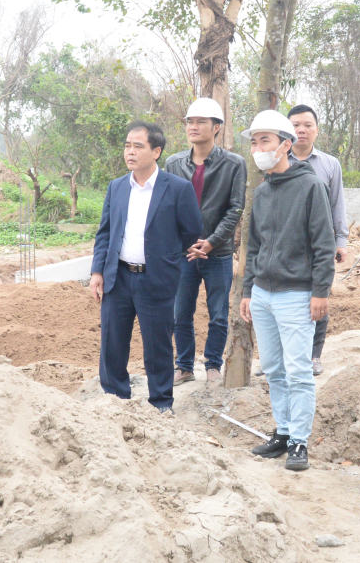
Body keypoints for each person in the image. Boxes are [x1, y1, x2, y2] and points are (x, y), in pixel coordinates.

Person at [238, 110, 336, 471]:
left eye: (265, 140)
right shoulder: (262, 192)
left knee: (297, 372)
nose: (258, 147)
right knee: (274, 370)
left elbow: (324, 245)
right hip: (263, 294)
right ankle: (282, 431)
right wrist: (248, 291)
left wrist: (320, 291)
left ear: (285, 144)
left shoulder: (311, 186)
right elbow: (254, 246)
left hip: (297, 294)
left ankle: (299, 442)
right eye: (254, 141)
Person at [89, 121, 203, 412]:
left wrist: (164, 256)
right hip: (118, 277)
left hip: (156, 279)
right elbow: (105, 233)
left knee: (158, 346)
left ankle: (161, 404)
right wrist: (97, 271)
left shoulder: (177, 188)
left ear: (156, 151)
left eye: (137, 146)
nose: (130, 151)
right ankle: (115, 399)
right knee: (112, 343)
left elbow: (191, 231)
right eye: (127, 145)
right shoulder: (116, 187)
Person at [165, 98, 247, 385]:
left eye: (201, 121)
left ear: (217, 128)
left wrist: (211, 242)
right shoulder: (173, 163)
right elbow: (168, 207)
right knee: (180, 314)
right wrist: (186, 242)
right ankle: (184, 366)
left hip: (219, 253)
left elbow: (235, 208)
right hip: (184, 254)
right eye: (190, 121)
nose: (193, 126)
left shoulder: (234, 164)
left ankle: (213, 365)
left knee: (218, 314)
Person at [287, 105, 349, 376]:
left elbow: (337, 204)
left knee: (319, 296)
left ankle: (314, 356)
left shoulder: (329, 164)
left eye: (307, 125)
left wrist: (341, 240)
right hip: (285, 242)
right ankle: (280, 357)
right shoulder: (275, 160)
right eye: (296, 125)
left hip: (319, 244)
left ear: (316, 130)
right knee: (282, 299)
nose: (301, 130)